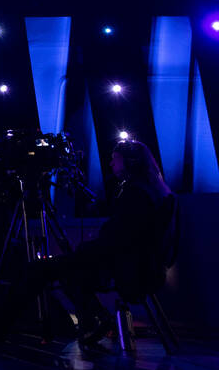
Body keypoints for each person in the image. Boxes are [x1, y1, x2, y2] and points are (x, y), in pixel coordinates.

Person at [11, 140, 176, 342]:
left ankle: (3, 325)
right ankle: (95, 322)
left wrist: (84, 250)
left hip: (130, 269)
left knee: (41, 269)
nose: (111, 165)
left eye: (115, 160)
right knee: (68, 270)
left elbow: (116, 240)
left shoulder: (136, 194)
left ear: (131, 163)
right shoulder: (158, 191)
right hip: (146, 268)